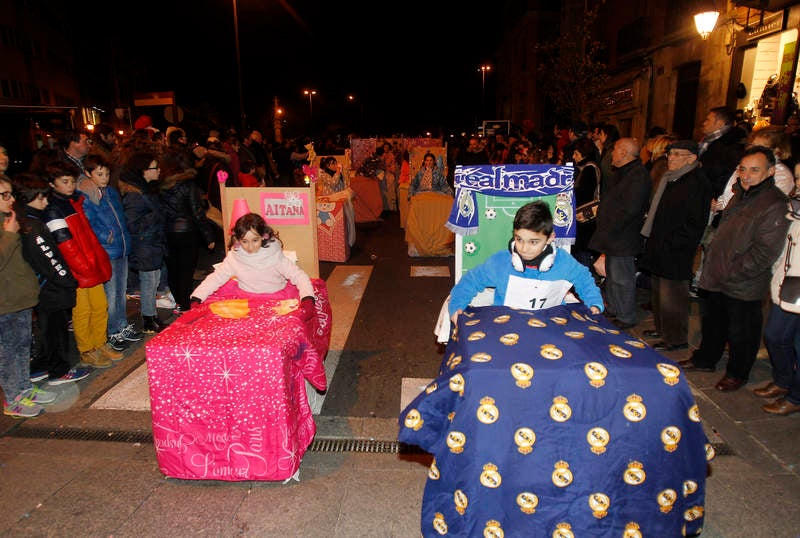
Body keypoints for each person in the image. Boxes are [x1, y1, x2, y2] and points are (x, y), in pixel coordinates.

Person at [679, 146, 791, 392]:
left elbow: (765, 251)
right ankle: (706, 359)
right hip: (720, 273)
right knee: (713, 323)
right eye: (742, 169)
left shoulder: (774, 203)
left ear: (771, 172)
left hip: (744, 281)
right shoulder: (741, 194)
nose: (746, 175)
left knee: (742, 332)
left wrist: (733, 271)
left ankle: (737, 373)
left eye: (754, 170)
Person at [448, 201, 603, 325]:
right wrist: (457, 307)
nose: (523, 248)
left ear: (550, 238)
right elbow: (470, 281)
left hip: (552, 327)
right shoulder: (500, 262)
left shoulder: (563, 262)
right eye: (519, 239)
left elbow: (583, 278)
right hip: (507, 326)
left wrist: (594, 303)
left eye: (533, 242)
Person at [14, 173, 91, 385]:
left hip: (41, 287)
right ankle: (59, 371)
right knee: (56, 331)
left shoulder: (23, 221)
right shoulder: (33, 226)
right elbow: (49, 259)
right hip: (50, 288)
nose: (46, 202)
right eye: (41, 198)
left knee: (48, 331)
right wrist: (68, 280)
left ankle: (42, 367)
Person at [43, 162, 121, 369]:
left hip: (89, 262)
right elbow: (65, 244)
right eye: (64, 182)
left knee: (100, 306)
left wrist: (96, 259)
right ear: (52, 184)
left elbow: (88, 236)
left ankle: (100, 343)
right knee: (82, 311)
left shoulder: (76, 202)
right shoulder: (54, 209)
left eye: (72, 181)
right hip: (77, 269)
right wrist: (83, 267)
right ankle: (87, 350)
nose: (70, 185)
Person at [639, 140, 712, 352]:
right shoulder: (672, 178)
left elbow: (696, 222)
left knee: (673, 297)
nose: (670, 158)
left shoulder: (697, 182)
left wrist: (674, 243)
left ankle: (676, 337)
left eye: (677, 154)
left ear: (692, 158)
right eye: (670, 154)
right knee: (659, 294)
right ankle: (662, 330)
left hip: (676, 249)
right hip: (659, 243)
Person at [0, 174, 58, 417]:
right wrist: (11, 234)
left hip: (21, 297)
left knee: (23, 347)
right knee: (7, 353)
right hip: (4, 303)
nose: (11, 199)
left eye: (11, 193)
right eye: (4, 195)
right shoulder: (7, 226)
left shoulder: (9, 218)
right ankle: (12, 398)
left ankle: (24, 388)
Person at [189, 213, 315, 317]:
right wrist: (197, 296)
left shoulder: (275, 256)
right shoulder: (234, 257)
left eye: (255, 240)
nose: (250, 247)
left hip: (276, 299)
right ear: (238, 239)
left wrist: (307, 297)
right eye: (245, 241)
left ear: (263, 237)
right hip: (245, 301)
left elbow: (298, 276)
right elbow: (216, 278)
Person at [79, 154, 142, 352]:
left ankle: (122, 325)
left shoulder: (112, 192)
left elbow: (120, 217)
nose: (104, 178)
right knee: (111, 293)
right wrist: (108, 237)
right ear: (88, 174)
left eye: (106, 173)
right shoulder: (87, 196)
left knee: (120, 291)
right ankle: (112, 330)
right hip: (107, 250)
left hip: (121, 247)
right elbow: (90, 223)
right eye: (99, 174)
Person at [588, 137, 652, 330]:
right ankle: (615, 309)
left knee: (622, 278)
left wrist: (611, 226)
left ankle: (626, 316)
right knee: (613, 277)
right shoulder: (625, 173)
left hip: (622, 237)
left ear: (624, 152)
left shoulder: (637, 176)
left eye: (615, 150)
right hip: (614, 236)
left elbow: (630, 209)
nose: (612, 154)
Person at [756, 193, 800, 415]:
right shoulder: (794, 210)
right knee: (775, 335)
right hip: (790, 285)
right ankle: (784, 379)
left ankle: (796, 397)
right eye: (799, 177)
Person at [159, 150, 217, 315]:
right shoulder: (188, 185)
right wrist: (208, 236)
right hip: (187, 232)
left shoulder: (160, 185)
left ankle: (179, 303)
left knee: (173, 270)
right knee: (186, 270)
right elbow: (197, 211)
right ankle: (184, 305)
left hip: (167, 233)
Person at [119, 151, 167, 334]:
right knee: (148, 282)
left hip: (151, 243)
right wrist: (155, 215)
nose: (159, 171)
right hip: (144, 245)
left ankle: (152, 315)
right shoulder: (135, 195)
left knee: (154, 281)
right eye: (155, 168)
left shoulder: (146, 189)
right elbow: (133, 223)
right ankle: (148, 319)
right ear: (144, 171)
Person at [570, 137, 601, 268]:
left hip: (585, 219)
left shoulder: (589, 169)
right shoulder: (586, 168)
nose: (573, 156)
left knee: (582, 254)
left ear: (584, 153)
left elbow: (584, 194)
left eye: (576, 153)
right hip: (585, 220)